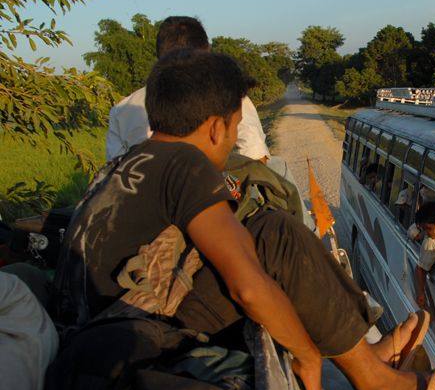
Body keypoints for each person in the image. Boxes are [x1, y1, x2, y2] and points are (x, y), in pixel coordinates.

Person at [50, 48, 435, 390]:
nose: (234, 139)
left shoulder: (127, 162)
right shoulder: (186, 163)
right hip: (140, 342)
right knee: (276, 235)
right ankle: (378, 388)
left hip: (100, 340)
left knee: (262, 233)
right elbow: (247, 286)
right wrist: (306, 354)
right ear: (216, 128)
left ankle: (364, 357)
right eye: (234, 127)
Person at [103, 16, 316, 230]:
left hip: (143, 207)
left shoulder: (122, 110)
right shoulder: (223, 93)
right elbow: (256, 157)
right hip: (204, 199)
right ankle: (311, 239)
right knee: (277, 166)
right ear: (204, 55)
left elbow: (117, 176)